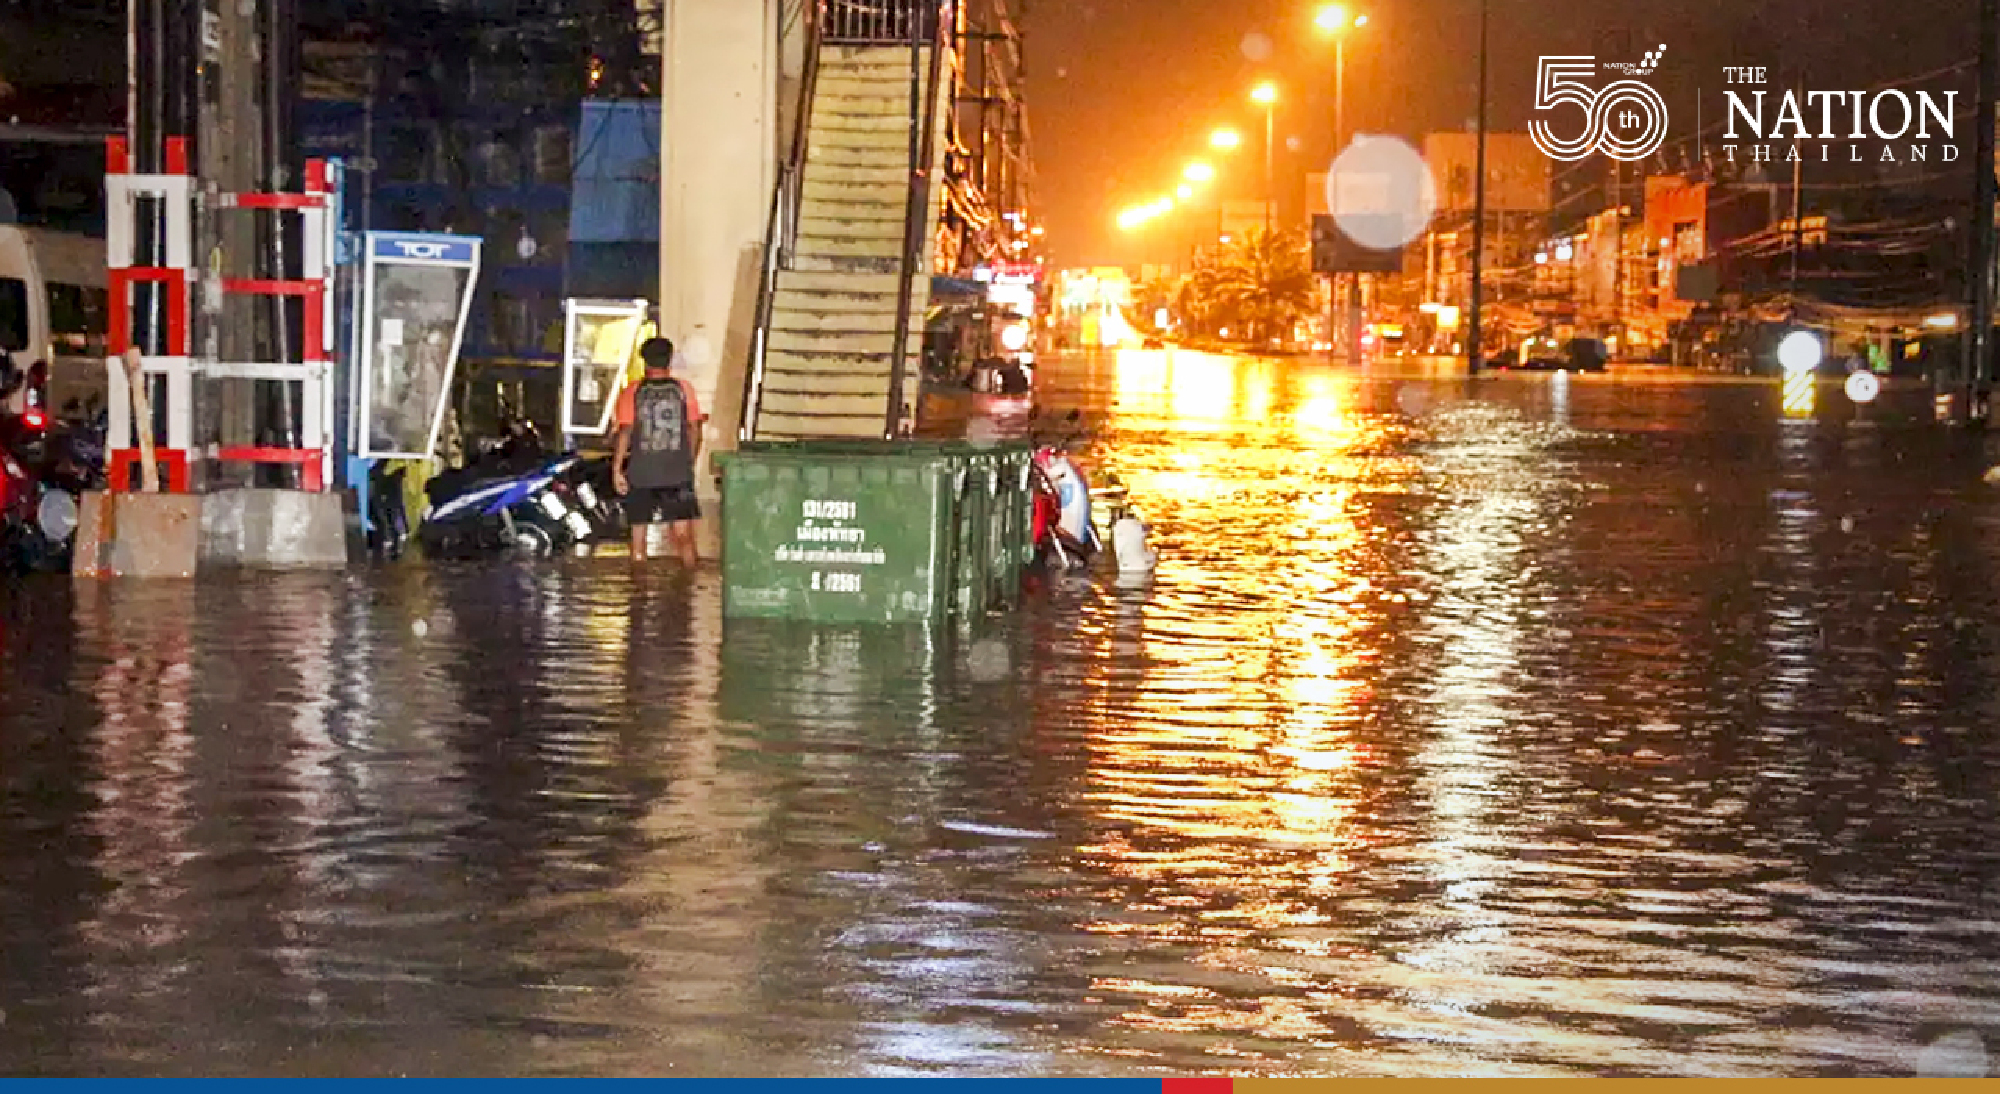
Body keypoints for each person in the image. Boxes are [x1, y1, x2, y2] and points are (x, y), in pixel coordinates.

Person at [612, 336, 705, 564]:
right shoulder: (684, 389)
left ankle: (639, 594)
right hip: (676, 472)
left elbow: (625, 432)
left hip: (642, 472)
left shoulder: (633, 391)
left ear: (645, 361)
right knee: (684, 537)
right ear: (669, 360)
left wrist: (617, 470)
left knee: (638, 540)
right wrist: (688, 461)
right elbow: (694, 429)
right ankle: (687, 590)